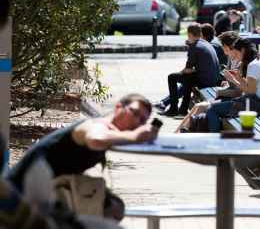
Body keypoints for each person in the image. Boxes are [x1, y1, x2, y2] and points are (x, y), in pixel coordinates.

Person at [7, 93, 160, 221]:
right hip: (19, 193)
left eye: (142, 120)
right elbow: (95, 139)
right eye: (134, 113)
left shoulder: (112, 132)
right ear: (118, 107)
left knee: (114, 207)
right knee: (109, 209)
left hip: (47, 188)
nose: (137, 121)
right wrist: (133, 137)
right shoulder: (94, 125)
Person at [206, 38, 260, 132]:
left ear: (243, 50)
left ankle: (215, 139)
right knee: (214, 107)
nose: (236, 57)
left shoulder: (253, 65)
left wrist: (236, 79)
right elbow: (249, 89)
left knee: (213, 109)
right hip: (256, 102)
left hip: (256, 103)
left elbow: (250, 92)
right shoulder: (258, 61)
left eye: (236, 53)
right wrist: (236, 78)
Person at [163, 23, 220, 116]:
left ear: (189, 34)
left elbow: (188, 69)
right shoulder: (205, 43)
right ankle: (183, 109)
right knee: (188, 79)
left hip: (204, 80)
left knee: (172, 77)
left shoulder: (195, 46)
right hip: (213, 79)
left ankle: (173, 108)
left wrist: (180, 72)